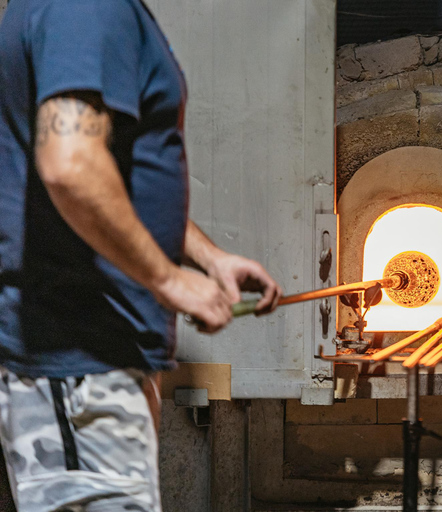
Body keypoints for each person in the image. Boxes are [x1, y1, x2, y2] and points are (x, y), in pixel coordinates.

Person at [0, 0, 282, 510]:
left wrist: (206, 256)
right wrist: (170, 280)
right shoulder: (85, 6)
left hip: (98, 360)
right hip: (80, 361)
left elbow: (113, 175)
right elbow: (71, 164)